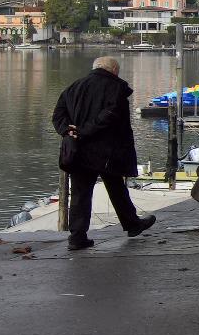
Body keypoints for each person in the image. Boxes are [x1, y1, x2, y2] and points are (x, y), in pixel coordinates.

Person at [52, 56, 156, 251]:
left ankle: (77, 236)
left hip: (78, 151)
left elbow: (57, 115)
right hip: (108, 150)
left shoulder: (74, 87)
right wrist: (85, 131)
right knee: (117, 188)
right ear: (114, 70)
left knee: (80, 194)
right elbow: (109, 116)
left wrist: (69, 130)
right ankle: (132, 224)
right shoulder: (115, 88)